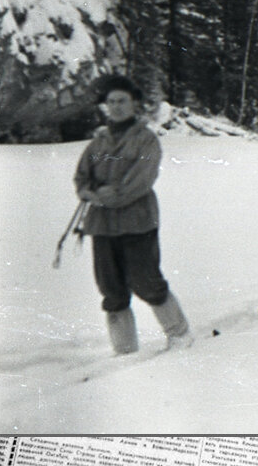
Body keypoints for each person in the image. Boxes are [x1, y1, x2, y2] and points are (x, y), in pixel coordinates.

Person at [72, 75, 193, 355]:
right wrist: (88, 193)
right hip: (102, 225)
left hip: (137, 221)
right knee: (110, 288)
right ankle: (125, 349)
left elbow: (141, 180)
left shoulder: (146, 139)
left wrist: (105, 196)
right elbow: (82, 178)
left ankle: (179, 334)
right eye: (111, 101)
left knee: (146, 280)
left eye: (122, 101)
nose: (116, 107)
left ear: (134, 103)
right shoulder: (98, 142)